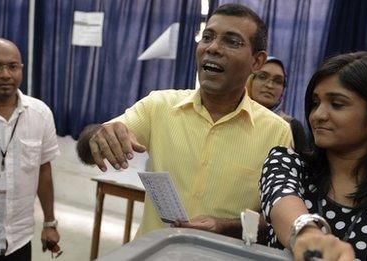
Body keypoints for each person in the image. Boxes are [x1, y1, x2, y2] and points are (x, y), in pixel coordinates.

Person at [77, 4, 293, 239]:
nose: (213, 48)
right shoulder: (159, 106)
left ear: (257, 61)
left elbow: (277, 221)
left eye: (232, 41)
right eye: (207, 37)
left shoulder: (278, 133)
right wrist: (98, 136)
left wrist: (226, 226)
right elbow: (88, 148)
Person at [259, 52, 367, 260]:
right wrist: (307, 234)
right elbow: (280, 198)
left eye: (337, 104)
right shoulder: (288, 164)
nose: (318, 115)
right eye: (315, 103)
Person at [0, 38, 61, 260]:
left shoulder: (40, 114)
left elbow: (43, 171)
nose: (6, 74)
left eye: (13, 66)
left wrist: (50, 222)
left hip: (19, 239)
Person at [246, 56, 308, 153]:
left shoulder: (291, 126)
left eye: (278, 81)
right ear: (250, 80)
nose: (270, 85)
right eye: (262, 77)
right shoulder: (234, 116)